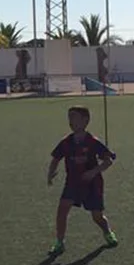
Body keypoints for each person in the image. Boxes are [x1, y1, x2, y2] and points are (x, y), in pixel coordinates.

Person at [47, 105, 118, 255]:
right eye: (69, 118)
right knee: (62, 210)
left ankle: (107, 232)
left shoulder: (92, 141)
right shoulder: (66, 142)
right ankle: (60, 242)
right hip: (73, 182)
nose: (71, 121)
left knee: (97, 216)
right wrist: (51, 173)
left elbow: (108, 161)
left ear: (85, 121)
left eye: (74, 117)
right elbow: (56, 158)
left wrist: (93, 172)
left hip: (93, 184)